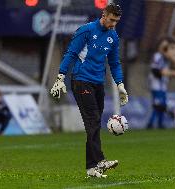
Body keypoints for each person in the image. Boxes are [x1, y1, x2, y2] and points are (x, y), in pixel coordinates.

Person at [50, 3, 128, 178]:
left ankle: (91, 168)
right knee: (92, 120)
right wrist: (61, 76)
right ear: (104, 15)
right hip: (81, 80)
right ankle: (99, 161)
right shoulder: (86, 30)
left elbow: (114, 63)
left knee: (94, 124)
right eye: (111, 20)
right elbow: (70, 53)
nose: (113, 24)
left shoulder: (113, 37)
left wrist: (120, 84)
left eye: (116, 21)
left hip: (97, 83)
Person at [146, 36, 175, 129]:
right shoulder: (157, 56)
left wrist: (173, 54)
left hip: (162, 85)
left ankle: (160, 124)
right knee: (158, 105)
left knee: (161, 105)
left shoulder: (165, 58)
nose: (173, 50)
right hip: (156, 85)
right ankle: (150, 124)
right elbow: (157, 71)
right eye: (171, 48)